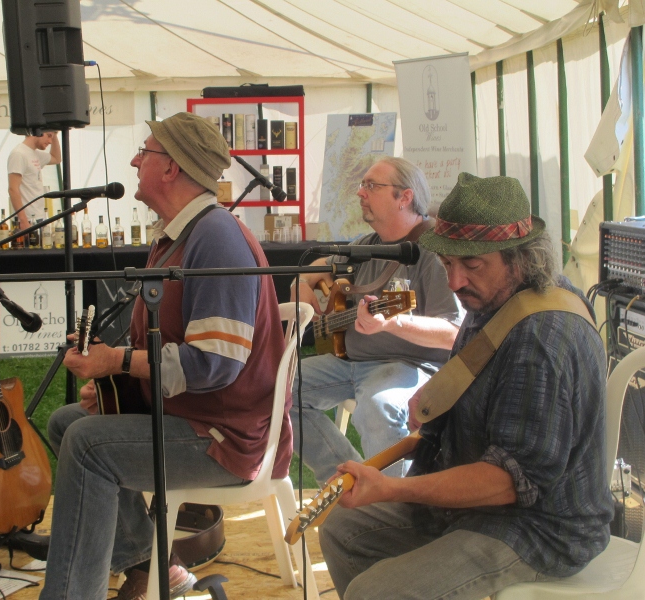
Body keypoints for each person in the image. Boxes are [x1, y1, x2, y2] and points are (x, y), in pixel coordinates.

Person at [318, 172, 615, 600]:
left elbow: (508, 482)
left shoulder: (543, 339)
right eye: (446, 264)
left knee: (375, 592)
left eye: (471, 265)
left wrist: (392, 487)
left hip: (538, 527)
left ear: (518, 258)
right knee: (344, 531)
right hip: (479, 507)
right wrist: (442, 400)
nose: (455, 282)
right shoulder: (495, 296)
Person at [40, 112, 290, 600]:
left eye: (145, 151)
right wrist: (119, 387)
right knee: (67, 423)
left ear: (171, 167)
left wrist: (117, 363)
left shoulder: (216, 237)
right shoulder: (180, 235)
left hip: (227, 437)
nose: (135, 160)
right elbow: (167, 344)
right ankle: (150, 565)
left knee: (87, 445)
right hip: (196, 416)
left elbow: (215, 364)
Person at [290, 156, 461, 482]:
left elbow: (453, 332)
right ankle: (346, 480)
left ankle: (393, 507)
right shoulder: (364, 246)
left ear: (405, 197)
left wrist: (393, 323)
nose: (360, 192)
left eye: (372, 185)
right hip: (347, 362)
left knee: (378, 408)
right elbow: (314, 269)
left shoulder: (435, 250)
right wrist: (302, 283)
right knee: (273, 387)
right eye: (362, 184)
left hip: (409, 366)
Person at [7, 131, 61, 229]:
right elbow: (13, 189)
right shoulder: (19, 154)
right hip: (27, 219)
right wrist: (23, 220)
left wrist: (55, 133)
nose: (50, 141)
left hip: (39, 217)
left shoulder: (35, 153)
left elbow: (57, 158)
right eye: (48, 136)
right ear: (38, 131)